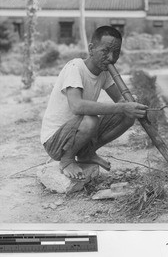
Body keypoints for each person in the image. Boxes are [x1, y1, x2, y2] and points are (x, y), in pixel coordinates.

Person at [40, 26, 148, 181]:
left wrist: (132, 104)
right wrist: (122, 106)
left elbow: (120, 100)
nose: (111, 57)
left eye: (116, 52)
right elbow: (77, 106)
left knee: (127, 116)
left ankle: (86, 153)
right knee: (91, 119)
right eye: (105, 51)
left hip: (77, 133)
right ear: (91, 49)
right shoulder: (75, 67)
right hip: (55, 141)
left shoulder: (104, 72)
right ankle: (67, 160)